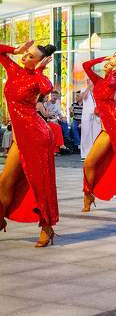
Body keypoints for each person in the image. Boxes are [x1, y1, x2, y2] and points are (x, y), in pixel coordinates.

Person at [0, 41, 59, 247]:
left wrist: (40, 70)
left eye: (31, 56)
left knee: (40, 184)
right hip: (20, 137)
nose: (26, 57)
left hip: (36, 136)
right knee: (5, 181)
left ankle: (47, 226)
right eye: (26, 53)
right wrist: (15, 50)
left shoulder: (38, 78)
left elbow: (47, 88)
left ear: (39, 62)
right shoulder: (14, 69)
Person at [81, 52, 116, 215]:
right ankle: (88, 195)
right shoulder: (98, 80)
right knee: (89, 163)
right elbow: (86, 66)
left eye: (111, 64)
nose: (106, 65)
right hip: (106, 127)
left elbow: (112, 83)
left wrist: (114, 71)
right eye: (107, 63)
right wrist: (103, 58)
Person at [80, 78, 101, 161]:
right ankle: (85, 154)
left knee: (96, 132)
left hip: (96, 114)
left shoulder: (97, 90)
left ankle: (95, 153)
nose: (90, 81)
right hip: (86, 114)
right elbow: (83, 97)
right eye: (88, 80)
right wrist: (88, 87)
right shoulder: (84, 89)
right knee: (86, 133)